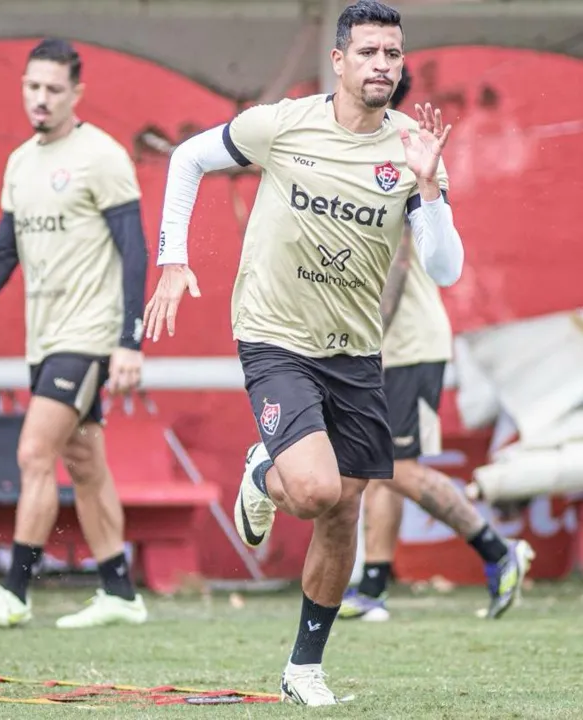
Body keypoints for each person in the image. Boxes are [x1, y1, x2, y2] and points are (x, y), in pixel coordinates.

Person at [144, 0, 465, 705]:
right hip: (273, 335)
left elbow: (444, 269)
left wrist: (428, 190)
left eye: (392, 54)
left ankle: (303, 670)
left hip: (354, 351)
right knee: (316, 489)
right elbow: (189, 157)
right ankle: (265, 472)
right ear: (340, 61)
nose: (383, 65)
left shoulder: (412, 145)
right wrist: (172, 258)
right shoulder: (283, 124)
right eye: (370, 53)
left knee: (341, 509)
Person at [0, 38, 150, 631]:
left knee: (34, 452)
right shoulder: (20, 162)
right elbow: (5, 250)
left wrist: (129, 341)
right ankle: (120, 593)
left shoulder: (101, 155)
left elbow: (135, 251)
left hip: (88, 335)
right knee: (85, 461)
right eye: (33, 86)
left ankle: (15, 591)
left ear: (76, 94)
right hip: (45, 337)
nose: (41, 98)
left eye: (54, 89)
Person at [338, 65, 534, 622]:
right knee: (379, 467)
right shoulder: (352, 151)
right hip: (389, 345)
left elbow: (400, 262)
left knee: (395, 468)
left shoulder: (399, 152)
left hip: (406, 345)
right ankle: (372, 588)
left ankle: (498, 552)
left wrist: (366, 337)